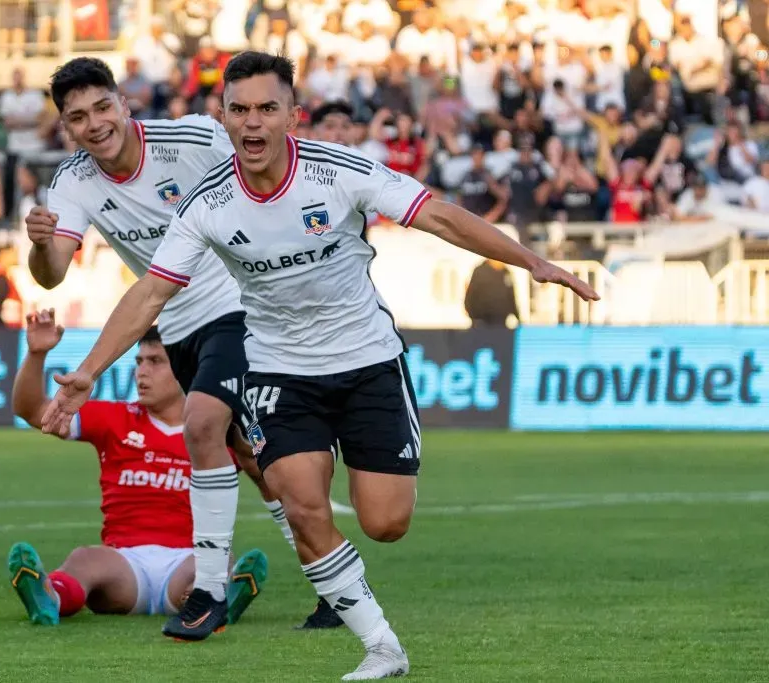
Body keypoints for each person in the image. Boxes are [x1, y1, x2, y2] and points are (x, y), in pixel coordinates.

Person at [38, 52, 598, 680]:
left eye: (267, 109)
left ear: (293, 116)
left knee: (385, 522)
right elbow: (149, 295)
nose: (253, 124)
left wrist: (533, 262)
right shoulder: (205, 205)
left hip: (366, 360)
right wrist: (87, 371)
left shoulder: (340, 172)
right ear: (222, 118)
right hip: (278, 367)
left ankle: (288, 578)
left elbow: (438, 214)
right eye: (240, 110)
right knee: (301, 502)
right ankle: (381, 646)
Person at [23, 57, 342, 636]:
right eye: (78, 117)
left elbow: (268, 169)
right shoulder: (72, 180)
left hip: (240, 309)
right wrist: (41, 246)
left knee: (200, 425)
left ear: (123, 103)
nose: (94, 124)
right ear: (66, 128)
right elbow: (51, 274)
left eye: (102, 107)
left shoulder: (191, 138)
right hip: (176, 327)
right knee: (252, 458)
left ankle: (208, 594)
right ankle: (338, 586)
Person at [9, 310, 268, 626]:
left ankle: (210, 598)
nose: (141, 373)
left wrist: (246, 445)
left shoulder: (214, 431)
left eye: (155, 362)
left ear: (187, 367)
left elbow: (269, 473)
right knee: (85, 559)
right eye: (139, 362)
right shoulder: (115, 419)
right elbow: (32, 410)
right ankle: (51, 597)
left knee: (216, 564)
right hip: (124, 564)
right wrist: (37, 354)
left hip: (188, 557)